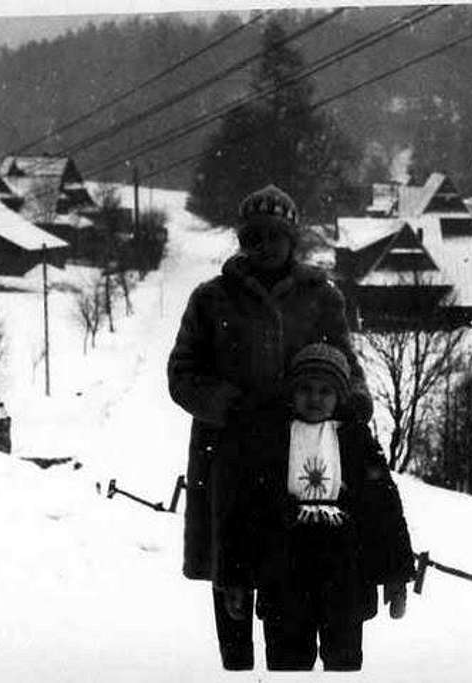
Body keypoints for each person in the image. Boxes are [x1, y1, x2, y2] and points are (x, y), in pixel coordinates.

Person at [167, 185, 372, 670]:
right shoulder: (211, 299)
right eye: (254, 235)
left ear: (292, 240)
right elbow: (182, 375)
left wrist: (355, 401)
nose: (265, 245)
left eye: (275, 235)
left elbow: (345, 360)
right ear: (242, 239)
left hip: (302, 449)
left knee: (294, 566)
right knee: (231, 561)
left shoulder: (320, 297)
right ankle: (236, 669)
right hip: (227, 450)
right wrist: (229, 405)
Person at [249, 342, 415, 671]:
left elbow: (384, 512)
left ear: (339, 396)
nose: (315, 398)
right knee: (287, 664)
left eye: (326, 391)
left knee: (343, 664)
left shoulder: (355, 441)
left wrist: (395, 576)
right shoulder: (273, 440)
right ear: (291, 393)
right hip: (286, 576)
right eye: (306, 389)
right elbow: (248, 510)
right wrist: (237, 579)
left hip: (345, 578)